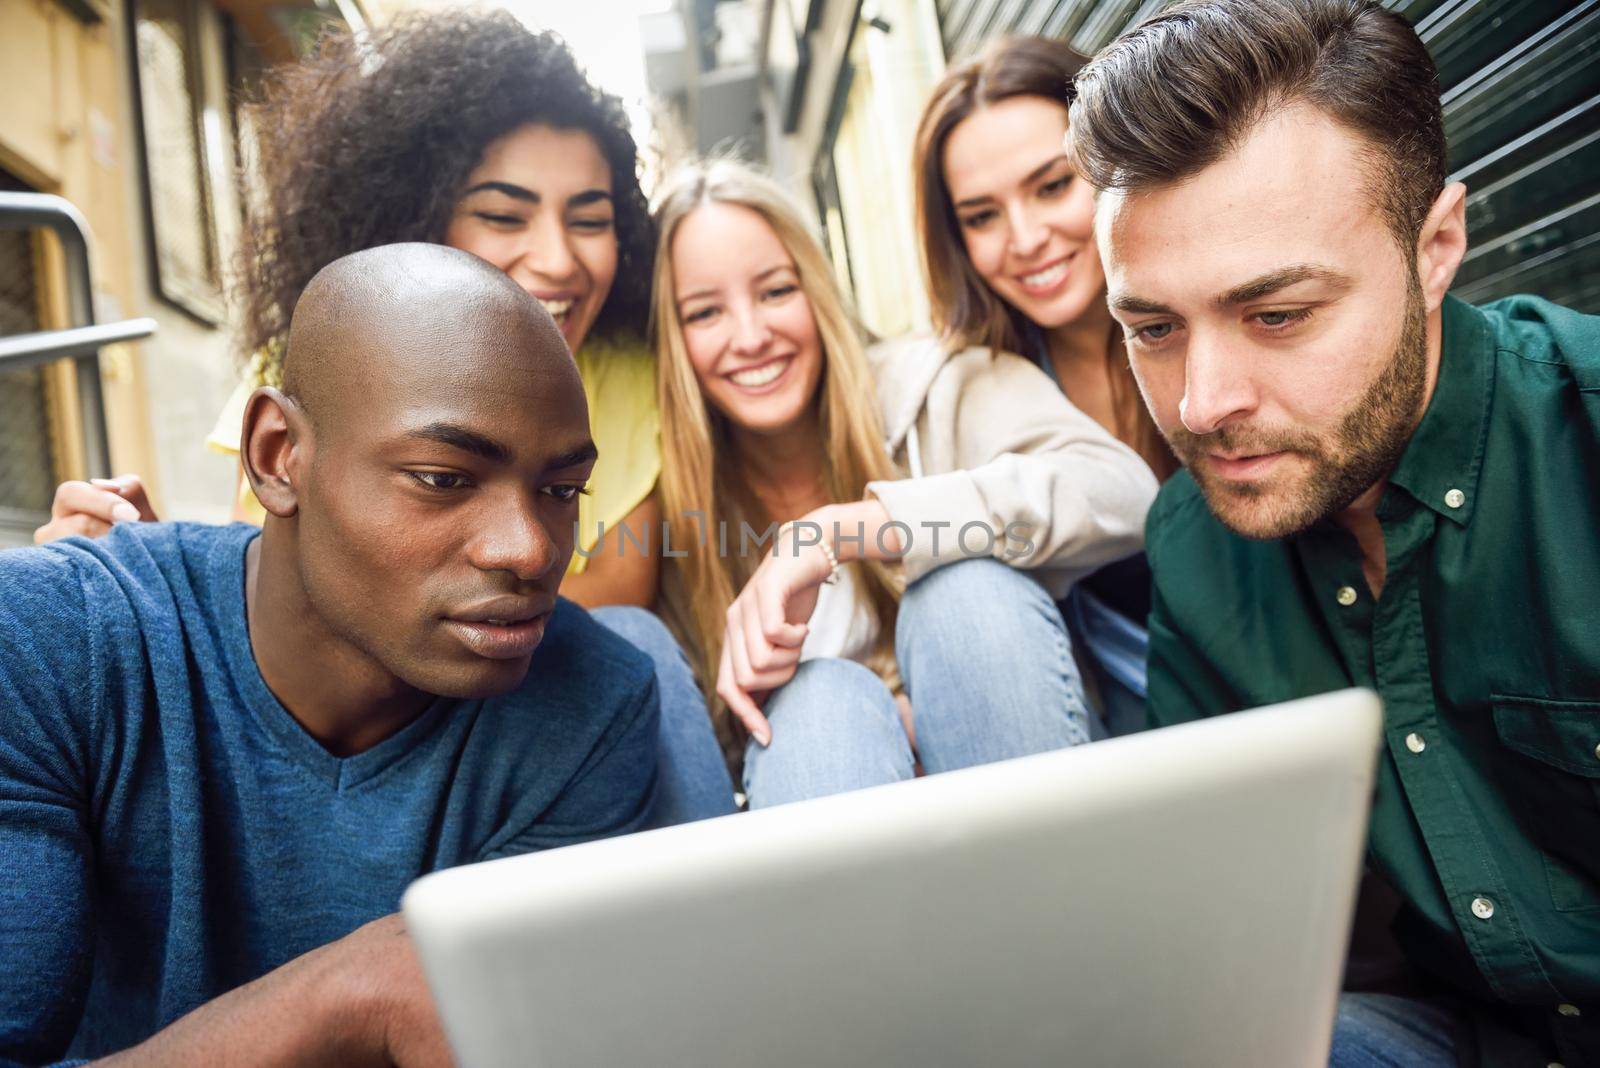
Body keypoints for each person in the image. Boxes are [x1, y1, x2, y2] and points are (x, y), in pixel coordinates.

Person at [30, 10, 736, 825]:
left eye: (590, 218)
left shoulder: (628, 371)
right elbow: (268, 581)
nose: (558, 257)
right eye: (505, 216)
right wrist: (156, 577)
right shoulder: (308, 363)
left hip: (524, 721)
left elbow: (614, 590)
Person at [1066, 1, 1600, 1065]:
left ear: (1436, 245)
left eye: (1277, 315)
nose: (1203, 402)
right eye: (1152, 330)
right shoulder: (1197, 541)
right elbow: (1225, 921)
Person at [0, 244, 659, 1065]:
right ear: (280, 456)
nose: (530, 550)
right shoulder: (47, 639)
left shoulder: (592, 703)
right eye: (443, 479)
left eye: (561, 493)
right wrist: (350, 993)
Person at [650, 159, 1157, 806]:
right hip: (837, 811)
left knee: (964, 592)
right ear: (672, 340)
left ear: (819, 292)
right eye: (704, 313)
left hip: (1021, 775)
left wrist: (843, 530)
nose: (751, 337)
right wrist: (879, 726)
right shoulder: (678, 507)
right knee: (818, 703)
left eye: (777, 291)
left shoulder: (935, 384)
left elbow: (1122, 492)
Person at [912, 36, 1178, 736]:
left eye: (1052, 185)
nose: (1025, 237)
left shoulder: (1219, 323)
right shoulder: (966, 397)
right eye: (982, 216)